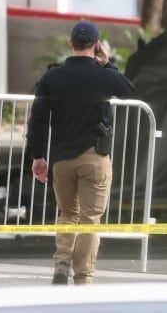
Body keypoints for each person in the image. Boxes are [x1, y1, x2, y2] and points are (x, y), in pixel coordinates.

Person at [28, 21, 134, 285]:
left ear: (70, 43)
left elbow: (38, 119)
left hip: (62, 158)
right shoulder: (104, 75)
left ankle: (61, 265)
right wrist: (107, 64)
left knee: (68, 215)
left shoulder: (52, 77)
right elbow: (128, 89)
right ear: (96, 45)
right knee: (89, 219)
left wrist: (37, 156)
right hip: (94, 158)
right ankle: (84, 277)